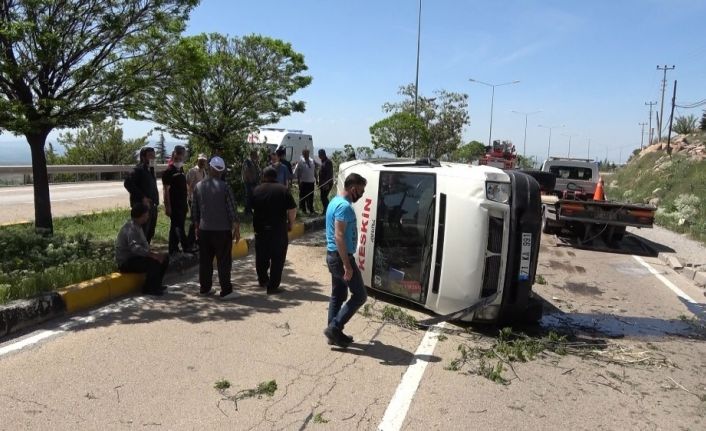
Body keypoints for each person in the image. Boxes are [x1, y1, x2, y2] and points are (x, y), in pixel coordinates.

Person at [323, 173, 368, 347]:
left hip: (334, 256)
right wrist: (347, 266)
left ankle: (333, 334)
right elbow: (339, 236)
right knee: (360, 295)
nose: (361, 195)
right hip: (341, 257)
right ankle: (334, 328)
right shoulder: (344, 207)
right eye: (361, 191)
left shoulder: (335, 201)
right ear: (353, 188)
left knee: (338, 295)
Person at [192, 156, 241, 299]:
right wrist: (236, 230)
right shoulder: (225, 187)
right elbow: (232, 210)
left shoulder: (199, 186)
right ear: (222, 171)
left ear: (210, 168)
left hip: (204, 230)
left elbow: (195, 210)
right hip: (222, 231)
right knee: (224, 261)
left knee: (205, 261)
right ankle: (226, 291)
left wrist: (196, 228)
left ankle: (205, 289)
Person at [251, 167, 297, 294]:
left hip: (260, 230)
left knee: (261, 256)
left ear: (263, 176)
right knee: (278, 259)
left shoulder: (256, 190)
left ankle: (262, 279)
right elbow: (292, 209)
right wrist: (290, 224)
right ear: (275, 177)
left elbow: (251, 209)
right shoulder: (283, 189)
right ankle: (273, 286)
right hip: (278, 230)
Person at [115, 202, 169, 296]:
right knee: (153, 263)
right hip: (126, 261)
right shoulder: (131, 228)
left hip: (136, 258)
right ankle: (149, 288)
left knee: (164, 258)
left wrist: (155, 254)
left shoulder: (138, 226)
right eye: (146, 214)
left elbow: (144, 246)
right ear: (142, 215)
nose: (148, 216)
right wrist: (151, 255)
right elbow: (135, 248)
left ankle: (156, 285)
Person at [124, 147, 159, 243]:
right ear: (143, 157)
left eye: (154, 155)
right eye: (150, 156)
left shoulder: (150, 169)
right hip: (142, 208)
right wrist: (142, 197)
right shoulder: (138, 170)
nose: (153, 158)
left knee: (150, 233)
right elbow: (127, 183)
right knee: (141, 234)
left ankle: (145, 253)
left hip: (152, 207)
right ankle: (138, 255)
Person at [162, 145, 189, 255]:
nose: (180, 160)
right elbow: (166, 190)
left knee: (175, 227)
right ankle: (186, 246)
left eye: (182, 157)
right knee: (178, 227)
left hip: (182, 204)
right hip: (174, 204)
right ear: (174, 155)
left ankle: (173, 249)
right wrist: (168, 206)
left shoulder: (181, 169)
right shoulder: (169, 171)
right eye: (178, 157)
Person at [186, 153, 208, 250]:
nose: (202, 162)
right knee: (194, 220)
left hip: (202, 199)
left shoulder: (204, 172)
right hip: (194, 199)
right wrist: (190, 198)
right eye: (201, 160)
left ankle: (197, 241)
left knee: (200, 220)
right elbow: (189, 185)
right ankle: (189, 242)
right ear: (197, 160)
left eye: (204, 160)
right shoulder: (192, 171)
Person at [293, 149, 318, 215]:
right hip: (303, 182)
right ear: (303, 154)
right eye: (305, 153)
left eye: (307, 153)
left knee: (310, 197)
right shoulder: (300, 162)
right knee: (303, 196)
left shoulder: (312, 161)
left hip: (311, 182)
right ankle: (303, 210)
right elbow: (297, 173)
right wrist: (299, 182)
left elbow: (314, 171)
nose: (306, 154)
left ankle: (311, 210)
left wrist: (317, 179)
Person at [241, 149, 261, 215]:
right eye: (257, 155)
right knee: (249, 196)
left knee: (251, 196)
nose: (258, 156)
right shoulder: (248, 162)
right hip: (249, 182)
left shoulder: (254, 162)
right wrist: (251, 181)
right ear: (253, 155)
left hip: (253, 182)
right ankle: (248, 211)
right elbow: (247, 172)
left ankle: (249, 210)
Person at [317, 149, 334, 214]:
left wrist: (326, 184)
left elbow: (329, 174)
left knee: (324, 197)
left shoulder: (328, 162)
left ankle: (327, 211)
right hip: (322, 184)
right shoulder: (323, 161)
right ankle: (326, 210)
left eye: (320, 154)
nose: (319, 156)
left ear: (323, 154)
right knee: (322, 197)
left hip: (327, 184)